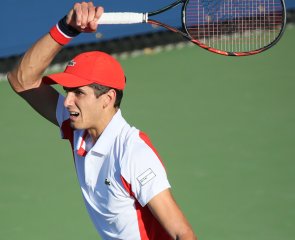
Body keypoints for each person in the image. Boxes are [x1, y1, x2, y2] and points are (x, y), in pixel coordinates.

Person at [7, 2, 197, 240]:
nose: (67, 102)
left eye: (78, 93)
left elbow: (183, 233)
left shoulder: (133, 153)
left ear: (107, 99)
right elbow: (21, 80)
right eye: (68, 91)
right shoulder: (78, 128)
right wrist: (66, 28)